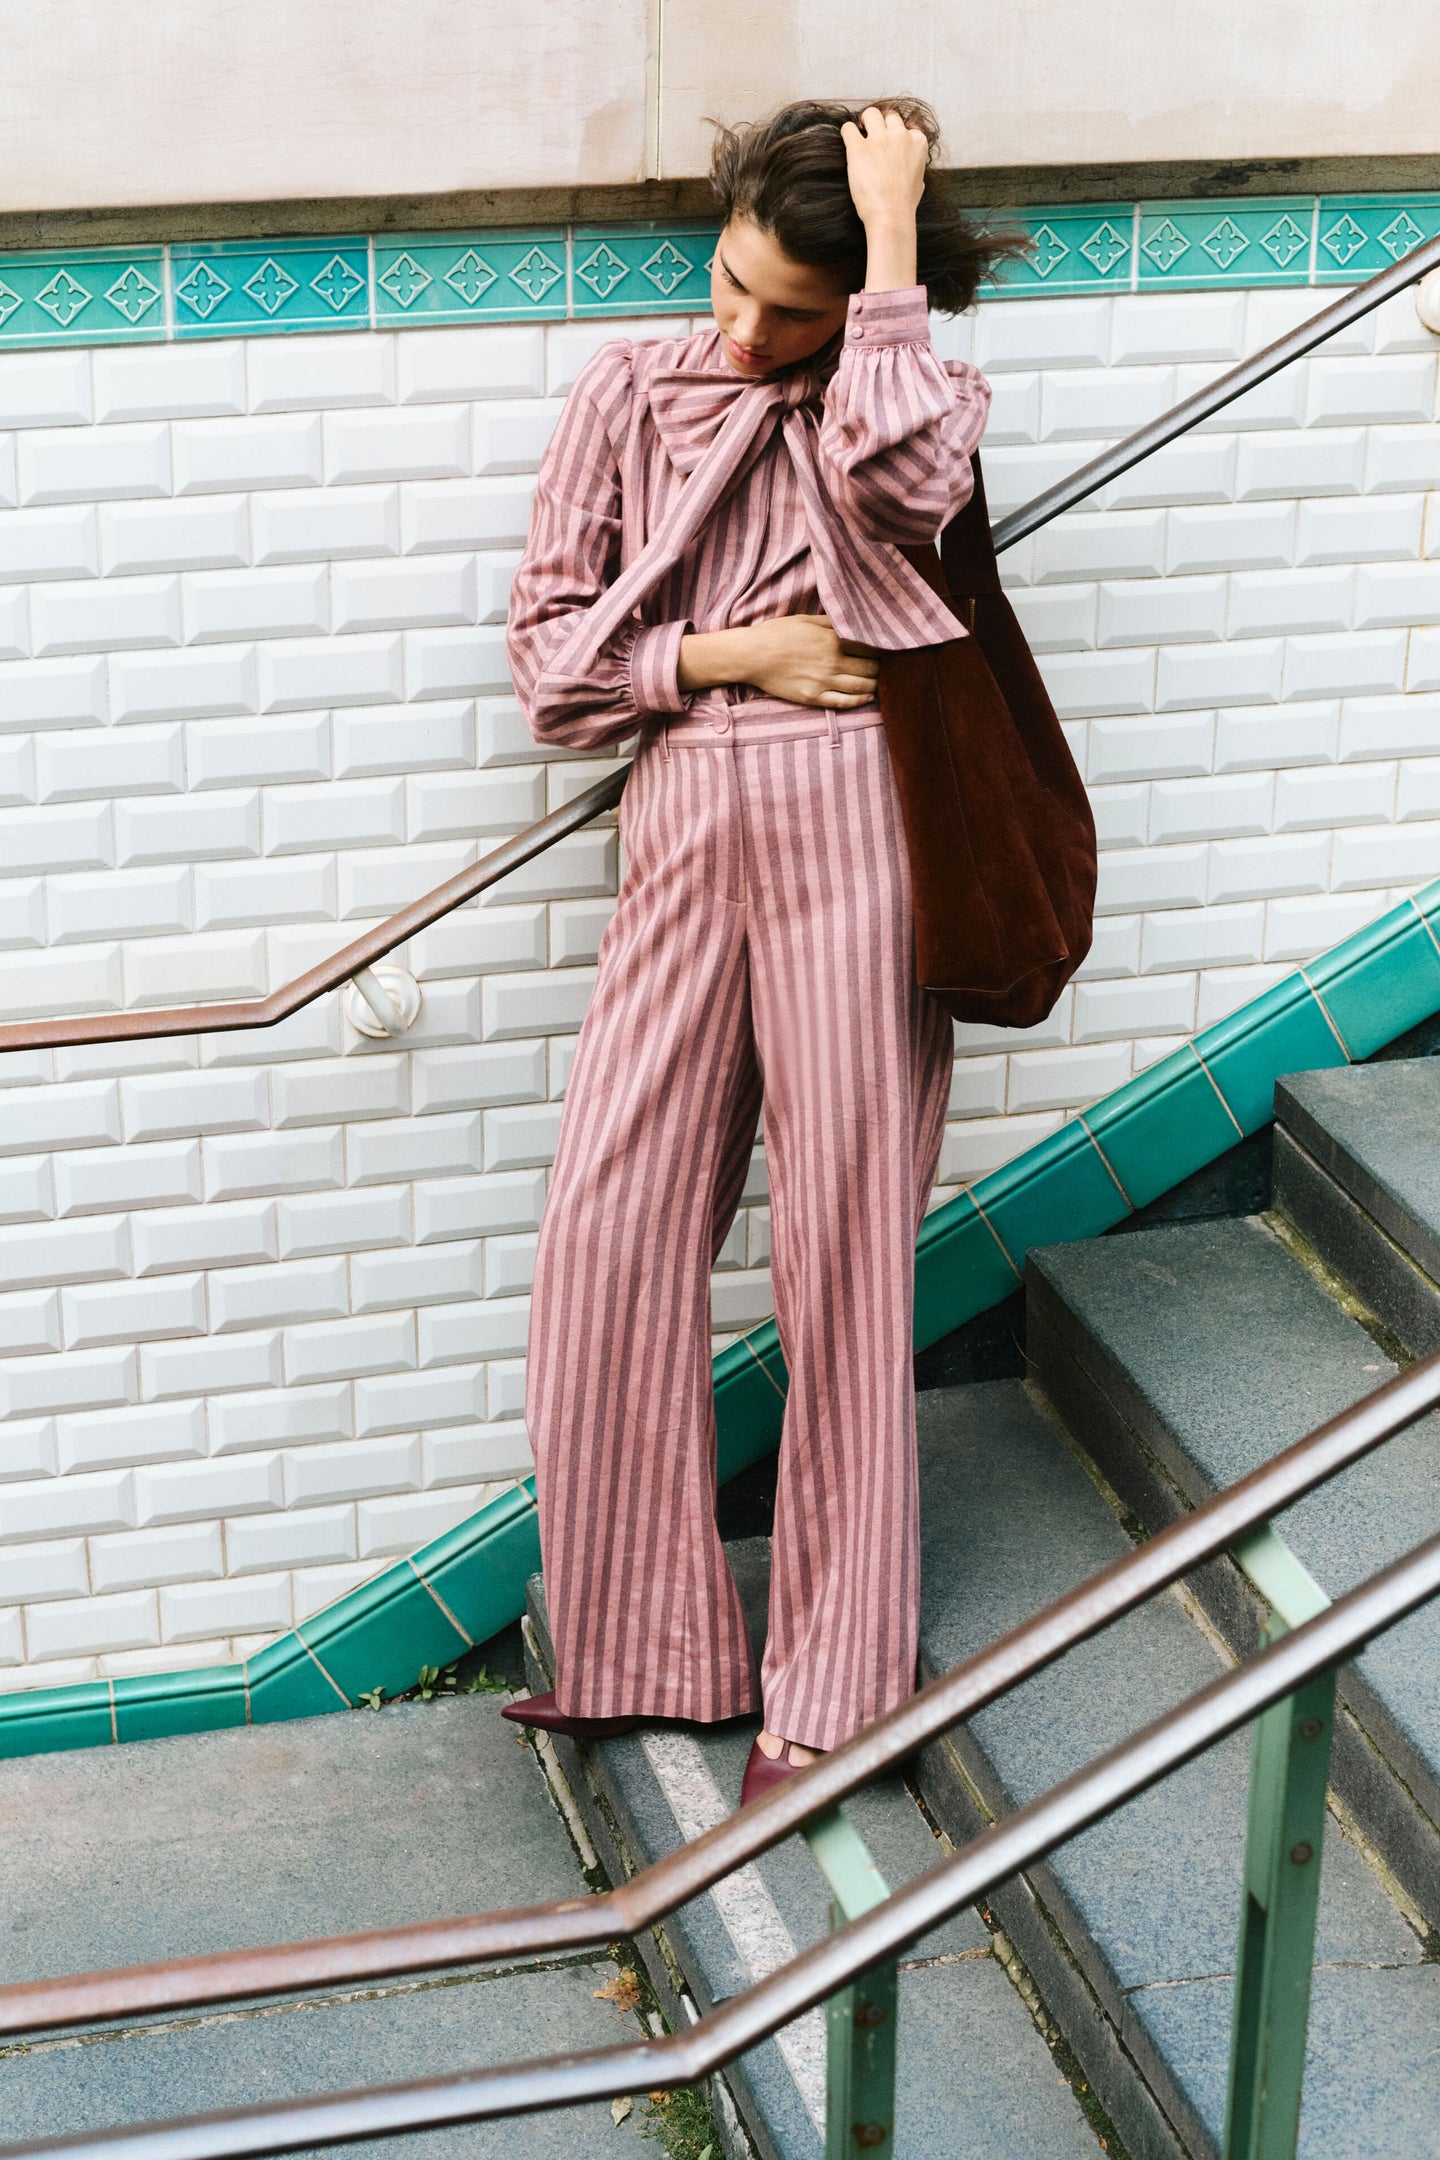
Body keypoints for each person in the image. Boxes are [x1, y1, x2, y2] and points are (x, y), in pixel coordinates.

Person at [502, 99, 1012, 1806]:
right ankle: (645, 1639)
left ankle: (839, 1683)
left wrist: (882, 272)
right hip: (684, 831)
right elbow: (555, 670)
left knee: (848, 1261)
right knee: (611, 1230)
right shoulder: (629, 390)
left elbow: (906, 483)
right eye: (736, 286)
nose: (749, 332)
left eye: (791, 309)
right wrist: (732, 656)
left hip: (857, 840)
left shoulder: (911, 387)